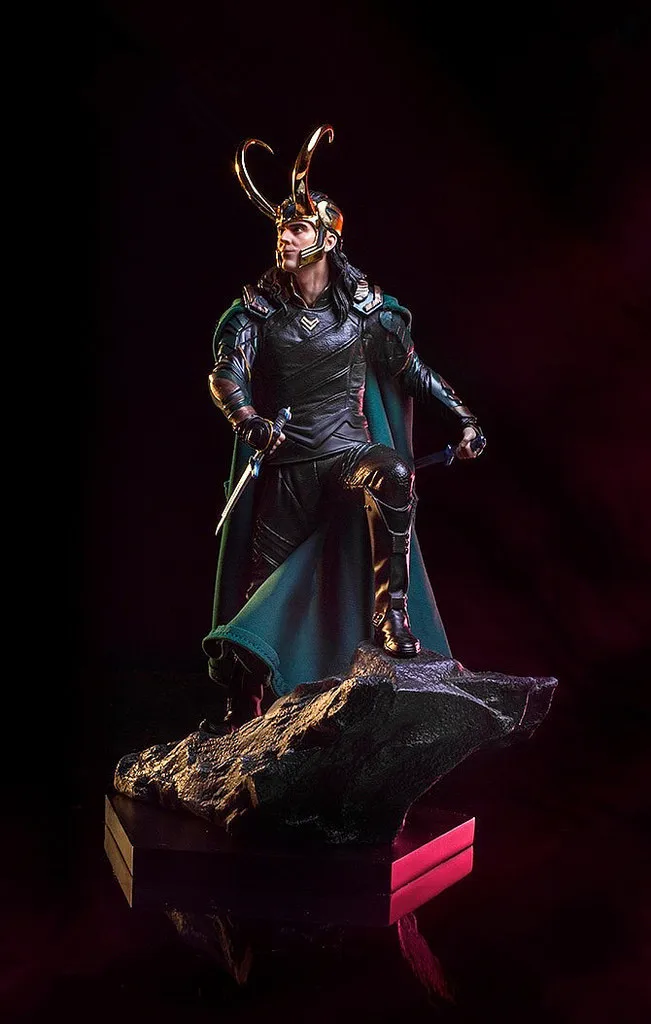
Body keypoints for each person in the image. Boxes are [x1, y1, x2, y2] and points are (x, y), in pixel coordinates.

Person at [202, 125, 484, 732]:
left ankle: (393, 616)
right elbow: (226, 374)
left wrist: (463, 417)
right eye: (282, 228)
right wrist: (248, 419)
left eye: (298, 228)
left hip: (346, 458)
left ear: (327, 238)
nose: (285, 236)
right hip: (285, 474)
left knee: (394, 475)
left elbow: (412, 371)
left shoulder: (364, 310)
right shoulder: (254, 312)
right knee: (258, 602)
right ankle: (241, 706)